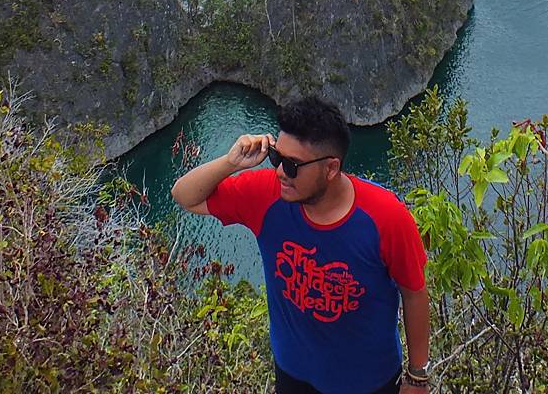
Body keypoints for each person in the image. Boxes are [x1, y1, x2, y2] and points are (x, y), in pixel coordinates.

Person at [171, 96, 430, 394]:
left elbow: (414, 293)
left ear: (331, 168)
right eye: (277, 158)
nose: (281, 172)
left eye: (292, 165)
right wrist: (232, 162)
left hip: (370, 381)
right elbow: (185, 195)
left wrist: (417, 375)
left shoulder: (386, 216)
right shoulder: (269, 195)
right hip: (293, 374)